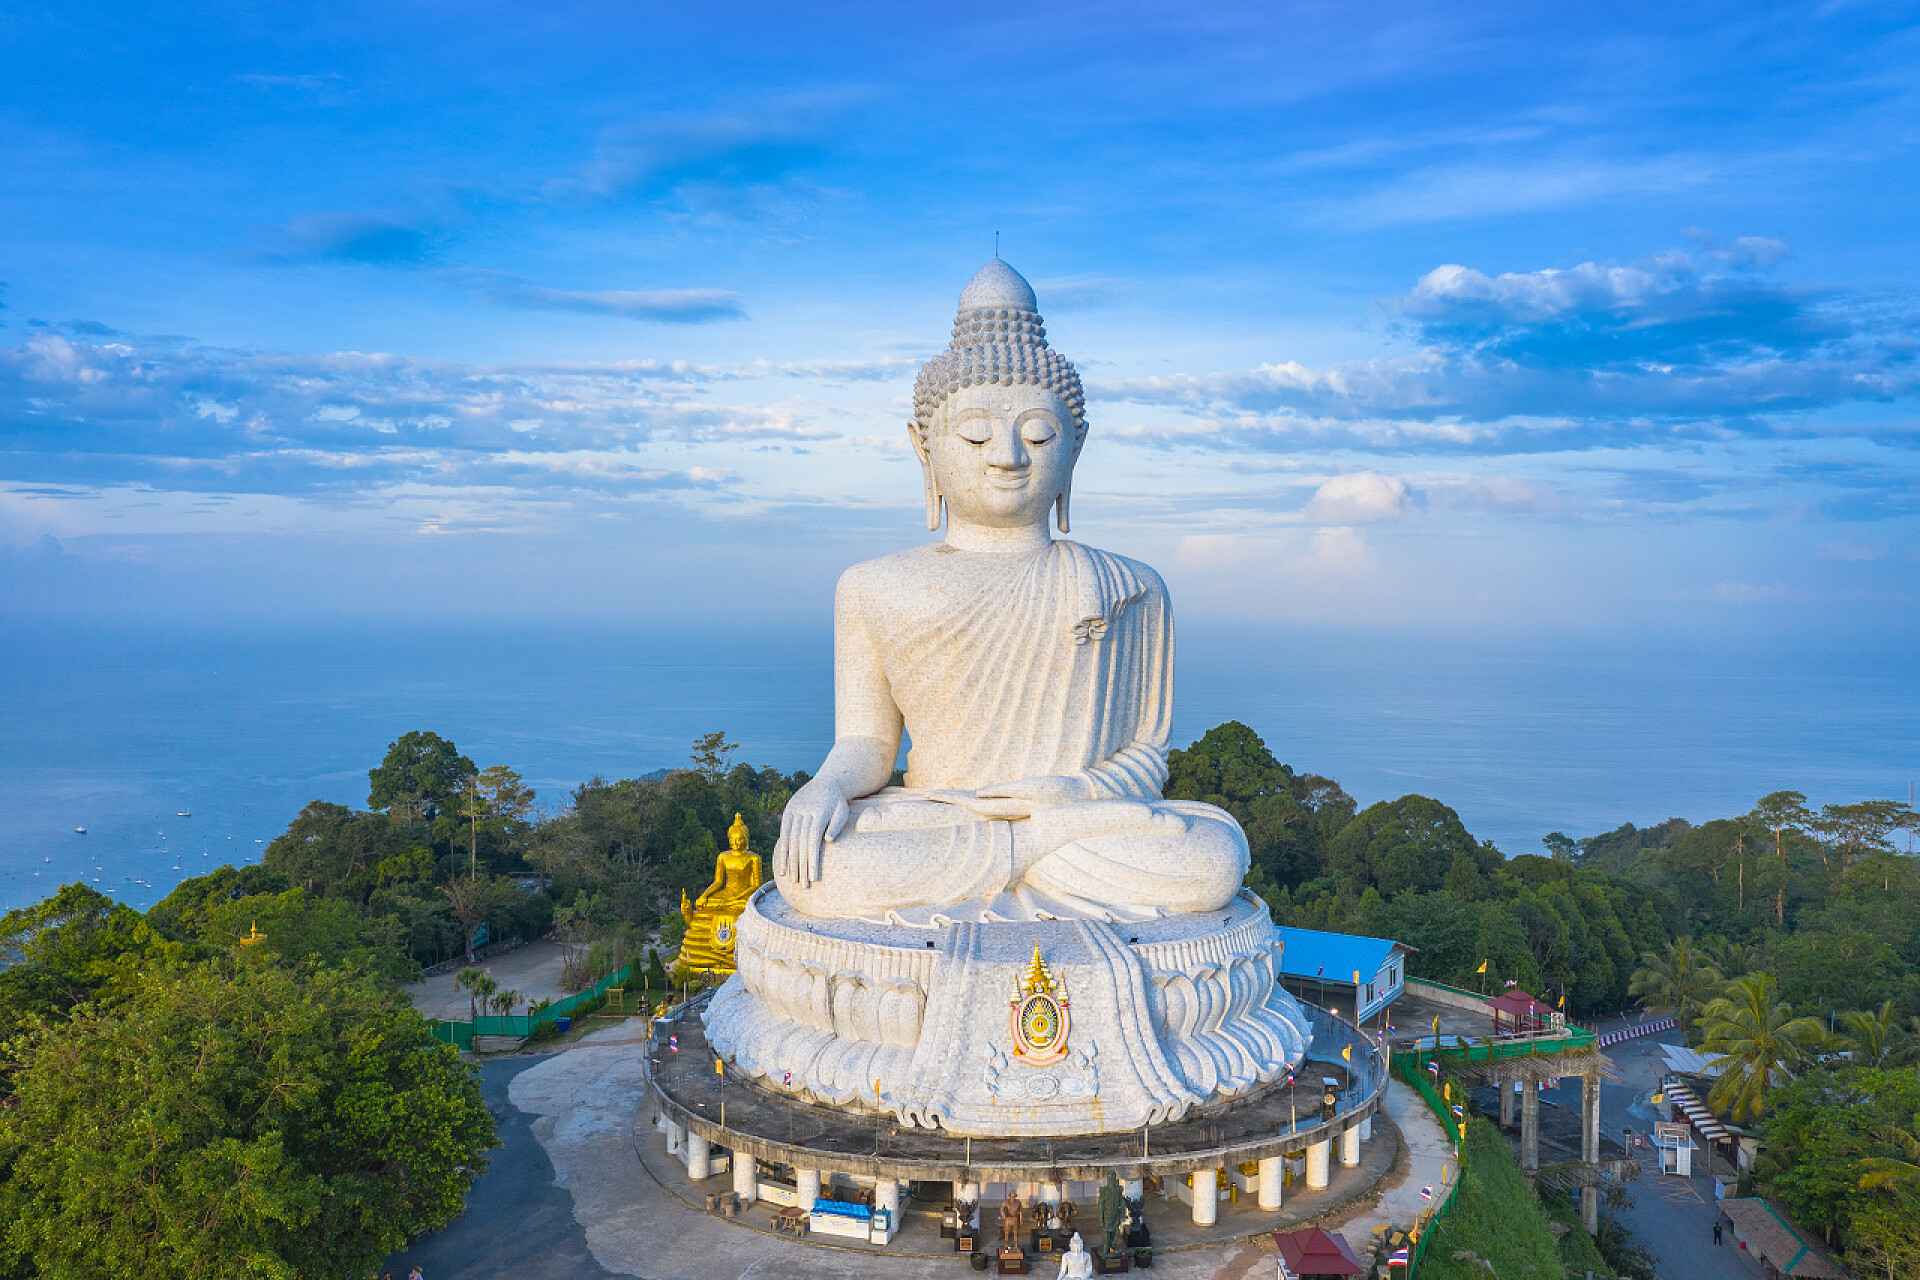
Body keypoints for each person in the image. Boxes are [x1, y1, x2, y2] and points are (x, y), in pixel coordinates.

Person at [772, 259, 1249, 925]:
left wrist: (1066, 794)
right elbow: (869, 747)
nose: (1007, 456)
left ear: (1074, 447)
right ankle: (1029, 851)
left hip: (1081, 818)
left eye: (1037, 434)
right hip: (944, 819)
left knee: (1214, 853)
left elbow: (1145, 757)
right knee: (816, 866)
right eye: (974, 434)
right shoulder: (871, 587)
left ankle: (1028, 848)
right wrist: (823, 788)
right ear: (924, 448)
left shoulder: (1130, 588)